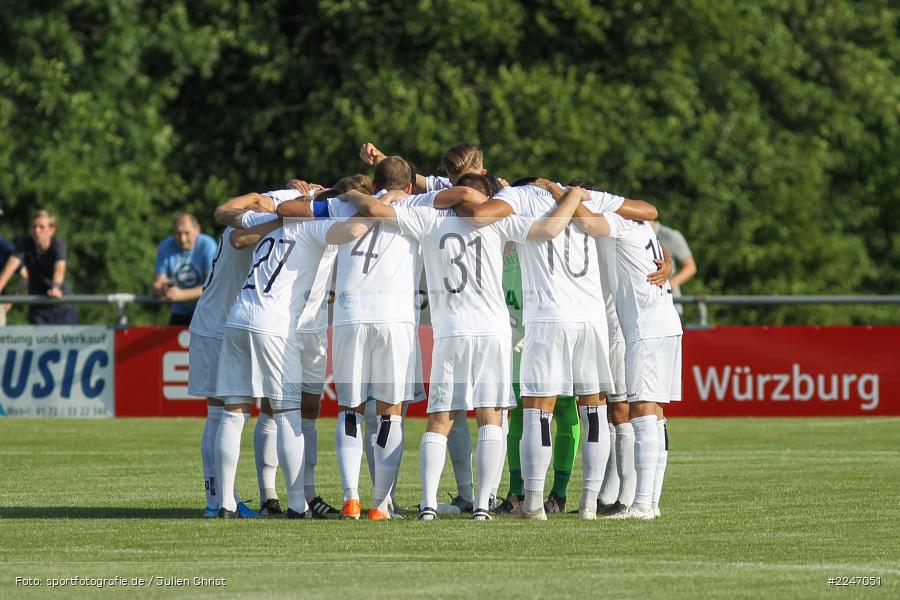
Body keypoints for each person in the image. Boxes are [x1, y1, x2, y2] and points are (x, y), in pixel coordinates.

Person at [573, 209, 683, 520]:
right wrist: (668, 263)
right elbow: (662, 249)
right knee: (651, 413)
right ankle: (646, 502)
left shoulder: (612, 227)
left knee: (638, 411)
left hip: (633, 330)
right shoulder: (641, 227)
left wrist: (560, 195)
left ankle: (638, 503)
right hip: (657, 324)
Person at [0, 209, 77, 324]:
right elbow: (9, 268)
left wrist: (55, 287)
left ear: (51, 230)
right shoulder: (25, 243)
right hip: (38, 309)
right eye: (34, 227)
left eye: (41, 227)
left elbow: (60, 268)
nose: (37, 230)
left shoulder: (57, 244)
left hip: (62, 308)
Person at [152, 214, 217, 325]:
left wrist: (182, 295)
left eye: (187, 233)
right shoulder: (165, 246)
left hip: (206, 311)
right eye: (178, 233)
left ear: (197, 230)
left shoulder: (207, 245)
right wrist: (163, 290)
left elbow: (212, 285)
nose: (182, 239)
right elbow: (157, 284)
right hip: (179, 312)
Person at [651, 220, 696, 311]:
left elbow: (690, 267)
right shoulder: (634, 235)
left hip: (671, 305)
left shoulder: (671, 236)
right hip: (646, 306)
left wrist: (669, 284)